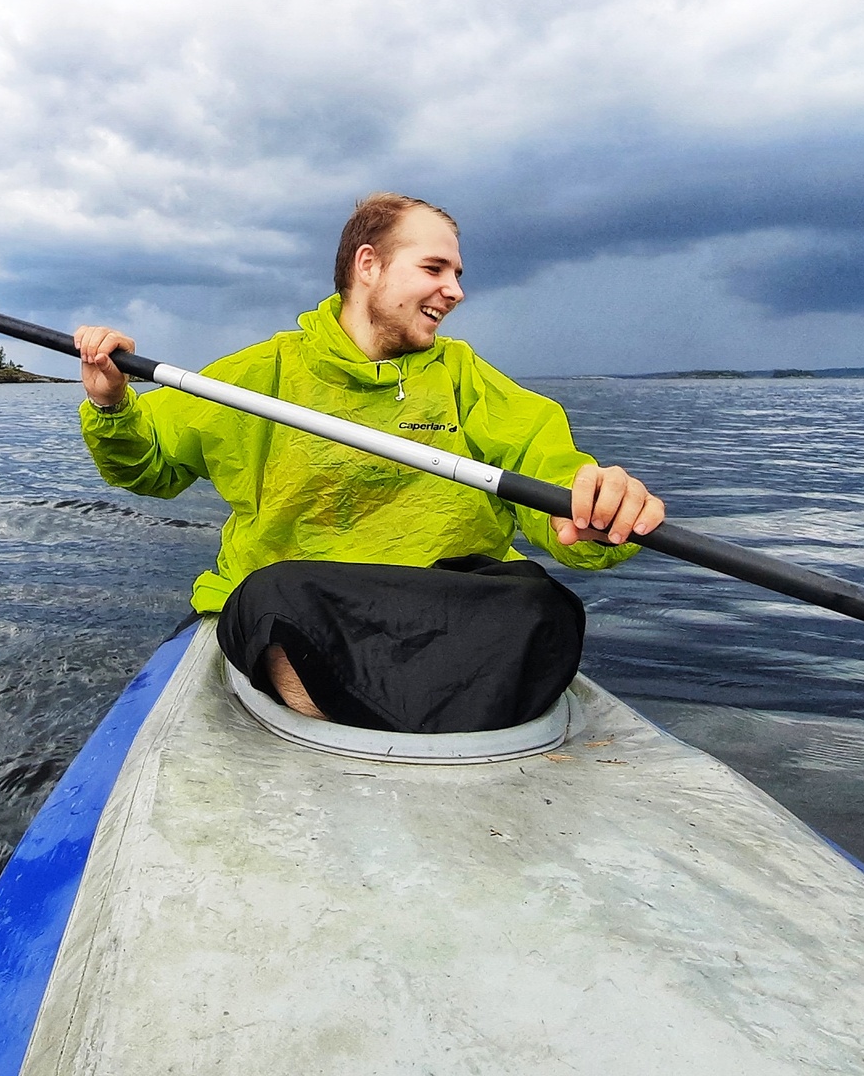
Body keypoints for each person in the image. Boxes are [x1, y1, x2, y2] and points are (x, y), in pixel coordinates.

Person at [74, 193, 665, 734]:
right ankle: (392, 713)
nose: (455, 290)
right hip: (313, 613)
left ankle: (394, 714)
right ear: (368, 265)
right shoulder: (256, 377)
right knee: (268, 595)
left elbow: (553, 476)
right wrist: (111, 403)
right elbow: (148, 468)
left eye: (457, 274)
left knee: (542, 602)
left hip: (442, 608)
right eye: (434, 270)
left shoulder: (468, 381)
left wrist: (593, 510)